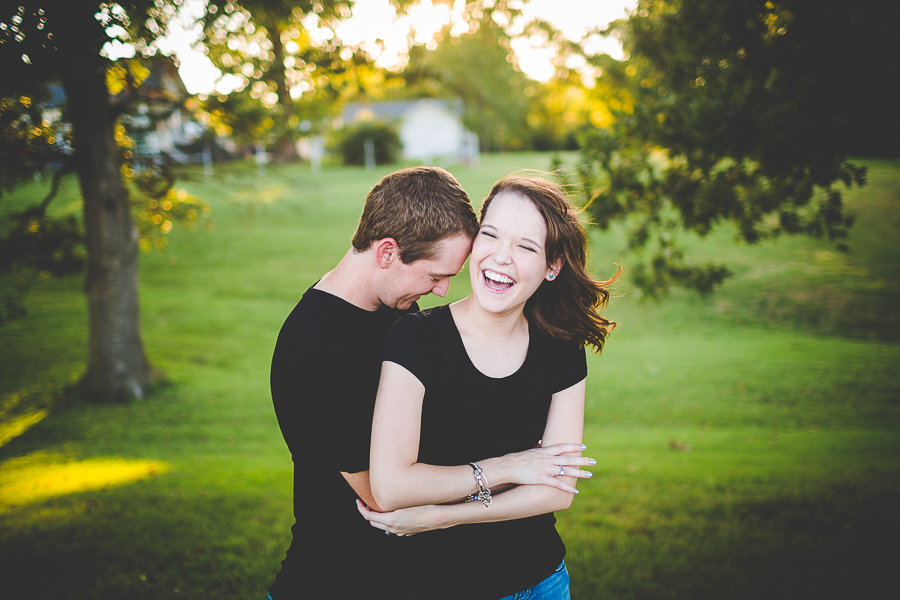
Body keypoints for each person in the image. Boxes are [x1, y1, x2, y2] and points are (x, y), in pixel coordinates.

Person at [362, 175, 621, 599]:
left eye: (526, 247)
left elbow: (555, 490)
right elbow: (391, 486)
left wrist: (442, 516)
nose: (501, 257)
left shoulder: (562, 345)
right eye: (491, 234)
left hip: (541, 583)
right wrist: (511, 467)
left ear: (553, 266)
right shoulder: (416, 337)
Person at [267, 166, 478, 599]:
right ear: (387, 252)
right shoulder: (316, 351)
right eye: (435, 276)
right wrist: (502, 471)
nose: (442, 291)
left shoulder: (396, 309)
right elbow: (386, 496)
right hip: (337, 582)